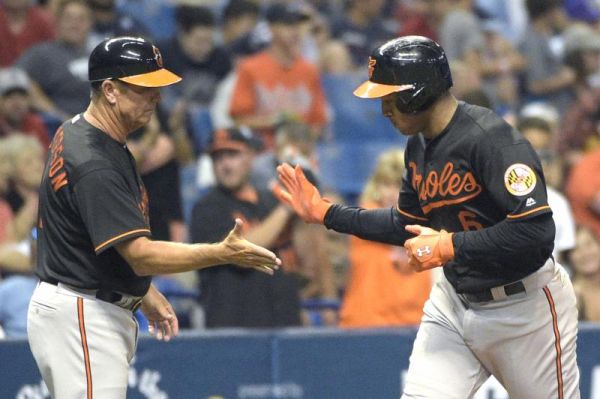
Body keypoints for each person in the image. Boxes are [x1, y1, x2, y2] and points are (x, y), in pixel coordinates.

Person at [274, 35, 580, 398]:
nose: (384, 109)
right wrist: (327, 213)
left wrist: (451, 245)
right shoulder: (418, 145)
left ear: (417, 92)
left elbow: (537, 234)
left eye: (389, 97)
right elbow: (405, 223)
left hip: (525, 308)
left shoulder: (492, 140)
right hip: (455, 301)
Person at [27, 36, 280, 398]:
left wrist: (141, 291)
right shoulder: (94, 159)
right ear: (110, 90)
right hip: (83, 311)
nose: (157, 97)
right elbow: (141, 255)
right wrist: (221, 252)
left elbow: (87, 238)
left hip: (81, 302)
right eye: (145, 88)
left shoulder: (82, 130)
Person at [190, 127, 302, 328]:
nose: (225, 165)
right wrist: (286, 209)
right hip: (234, 333)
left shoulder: (270, 202)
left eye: (232, 155)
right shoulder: (207, 208)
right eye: (217, 158)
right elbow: (239, 252)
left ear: (251, 156)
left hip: (285, 325)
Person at [338, 149, 433, 328]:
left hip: (415, 327)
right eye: (385, 184)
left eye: (398, 185)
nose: (391, 192)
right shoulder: (364, 218)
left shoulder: (427, 226)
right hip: (364, 326)